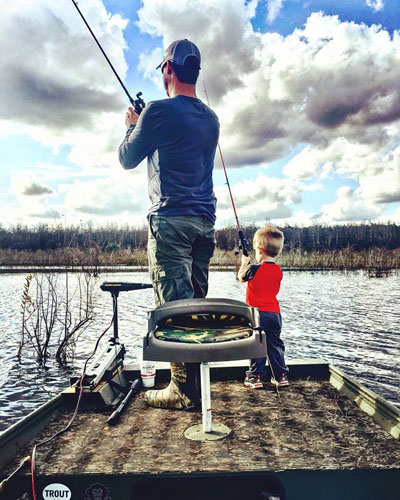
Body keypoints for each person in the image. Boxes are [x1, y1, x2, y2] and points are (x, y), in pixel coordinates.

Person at [119, 39, 219, 409]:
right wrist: (149, 120)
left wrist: (132, 125)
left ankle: (181, 390)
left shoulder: (156, 114)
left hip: (171, 222)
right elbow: (181, 138)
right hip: (204, 225)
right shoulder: (212, 119)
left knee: (174, 307)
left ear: (168, 70)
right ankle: (192, 384)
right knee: (194, 303)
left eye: (163, 68)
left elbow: (128, 158)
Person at [237, 224, 289, 389]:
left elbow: (241, 277)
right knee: (275, 345)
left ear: (259, 250)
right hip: (275, 314)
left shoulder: (254, 269)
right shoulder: (278, 270)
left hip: (257, 314)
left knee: (257, 344)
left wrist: (244, 263)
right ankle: (280, 376)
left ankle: (255, 377)